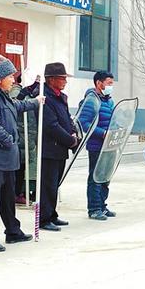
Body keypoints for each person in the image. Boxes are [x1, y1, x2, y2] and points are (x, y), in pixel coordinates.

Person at [0, 55, 43, 252]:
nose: (13, 80)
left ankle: (13, 231)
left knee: (7, 199)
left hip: (6, 159)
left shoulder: (2, 94)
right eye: (10, 76)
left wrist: (36, 101)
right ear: (0, 78)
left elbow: (16, 106)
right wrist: (8, 141)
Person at [38, 63, 78, 232]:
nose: (65, 81)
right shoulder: (45, 98)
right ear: (51, 79)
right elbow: (51, 126)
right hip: (50, 148)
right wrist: (70, 140)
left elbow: (67, 118)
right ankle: (44, 218)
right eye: (62, 78)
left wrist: (73, 131)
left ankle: (52, 214)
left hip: (61, 148)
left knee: (55, 184)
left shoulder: (61, 97)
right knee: (47, 184)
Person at [79, 71, 115, 220]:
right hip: (96, 145)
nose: (111, 86)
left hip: (109, 145)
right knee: (95, 177)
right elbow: (83, 123)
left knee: (105, 177)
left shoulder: (109, 101)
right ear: (99, 83)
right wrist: (102, 133)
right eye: (109, 83)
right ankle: (94, 209)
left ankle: (102, 206)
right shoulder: (91, 100)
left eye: (112, 83)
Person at [11, 75, 40, 204]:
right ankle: (16, 193)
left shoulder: (32, 94)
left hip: (29, 137)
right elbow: (15, 107)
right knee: (18, 168)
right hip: (21, 136)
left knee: (22, 167)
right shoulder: (17, 92)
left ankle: (19, 192)